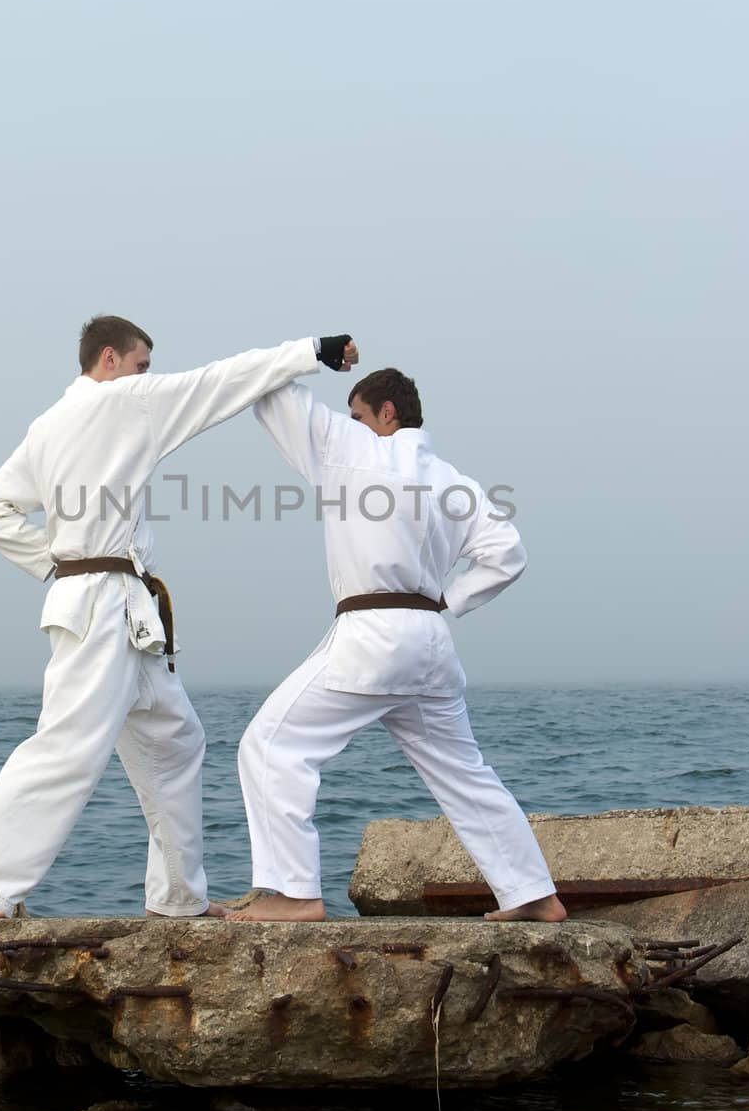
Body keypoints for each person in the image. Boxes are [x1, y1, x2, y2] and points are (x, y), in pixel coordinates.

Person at [0, 319, 358, 923]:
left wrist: (56, 562)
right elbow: (220, 382)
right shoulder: (125, 400)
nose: (146, 377)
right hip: (103, 604)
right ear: (109, 359)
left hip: (116, 607)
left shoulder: (47, 425)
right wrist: (311, 352)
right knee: (68, 745)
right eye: (141, 364)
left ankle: (179, 900)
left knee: (176, 744)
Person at [230, 366, 565, 924]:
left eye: (359, 413)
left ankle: (294, 893)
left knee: (270, 747)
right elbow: (507, 553)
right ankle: (533, 893)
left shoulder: (354, 451)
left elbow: (275, 395)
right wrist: (448, 602)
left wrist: (310, 353)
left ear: (387, 413)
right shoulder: (455, 481)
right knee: (465, 773)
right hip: (430, 643)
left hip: (376, 638)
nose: (350, 422)